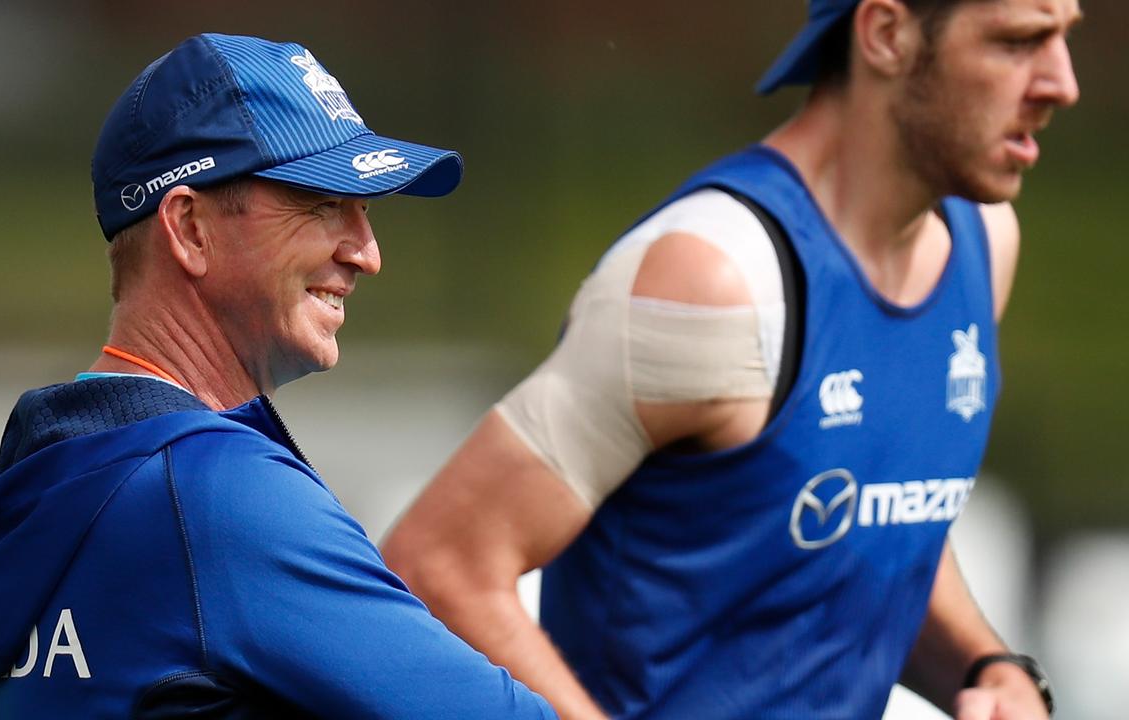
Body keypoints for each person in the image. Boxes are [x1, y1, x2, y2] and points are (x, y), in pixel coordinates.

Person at [382, 1, 1079, 718]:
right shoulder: (719, 281)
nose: (1063, 82)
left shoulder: (984, 244)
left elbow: (874, 528)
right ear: (886, 34)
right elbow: (441, 566)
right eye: (1019, 40)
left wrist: (988, 667)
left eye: (1065, 37)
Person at [0, 33, 556, 719]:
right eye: (322, 203)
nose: (366, 253)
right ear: (191, 228)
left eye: (365, 210)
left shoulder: (65, 473)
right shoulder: (216, 493)